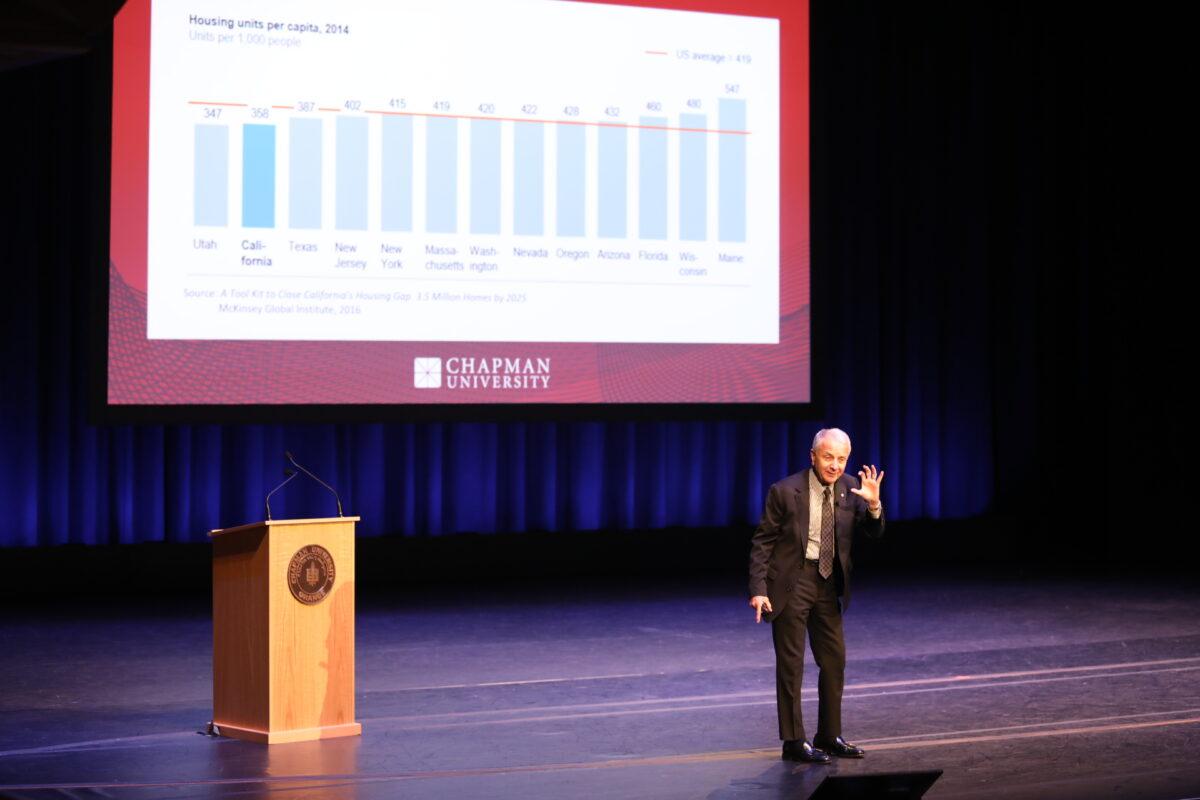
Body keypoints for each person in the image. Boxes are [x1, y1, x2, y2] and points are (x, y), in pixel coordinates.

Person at [748, 428, 885, 763]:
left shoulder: (852, 488)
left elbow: (874, 533)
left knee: (834, 660)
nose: (835, 465)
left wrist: (874, 505)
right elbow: (763, 542)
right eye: (828, 457)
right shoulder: (784, 491)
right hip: (792, 583)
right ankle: (794, 741)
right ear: (813, 456)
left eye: (841, 459)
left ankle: (829, 735)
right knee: (791, 665)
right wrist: (758, 590)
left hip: (828, 584)